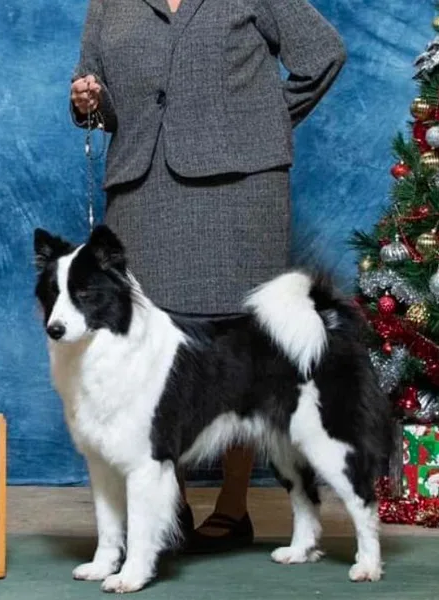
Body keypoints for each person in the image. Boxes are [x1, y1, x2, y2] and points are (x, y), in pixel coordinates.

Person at [70, 0, 345, 553]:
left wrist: (261, 121)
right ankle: (169, 506)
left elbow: (324, 55)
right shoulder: (110, 5)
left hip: (241, 190)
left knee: (237, 344)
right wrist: (88, 101)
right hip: (143, 189)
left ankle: (235, 503)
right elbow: (93, 95)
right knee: (152, 350)